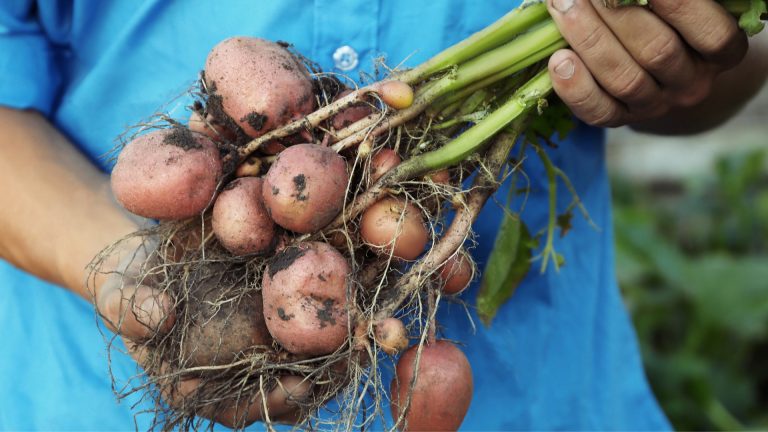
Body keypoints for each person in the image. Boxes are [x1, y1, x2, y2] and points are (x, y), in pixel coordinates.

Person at [1, 0, 766, 429]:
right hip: (83, 394)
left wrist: (675, 58)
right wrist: (126, 277)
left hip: (539, 394)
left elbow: (723, 60)